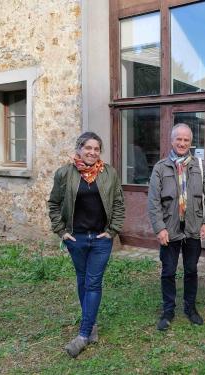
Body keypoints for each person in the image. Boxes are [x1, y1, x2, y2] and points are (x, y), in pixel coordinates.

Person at [48, 132, 125, 358]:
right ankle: (91, 325)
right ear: (79, 149)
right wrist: (61, 231)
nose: (92, 152)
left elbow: (119, 203)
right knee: (82, 281)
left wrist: (112, 231)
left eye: (96, 149)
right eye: (88, 148)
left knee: (93, 283)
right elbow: (54, 204)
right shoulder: (64, 173)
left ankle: (83, 335)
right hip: (77, 239)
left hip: (101, 240)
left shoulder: (109, 173)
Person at [148, 123, 205, 331]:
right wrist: (159, 228)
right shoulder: (160, 168)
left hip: (193, 228)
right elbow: (153, 201)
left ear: (191, 142)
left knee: (191, 270)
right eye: (179, 139)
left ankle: (190, 308)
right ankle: (168, 311)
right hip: (170, 229)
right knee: (168, 271)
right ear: (172, 140)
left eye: (186, 140)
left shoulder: (200, 166)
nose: (182, 143)